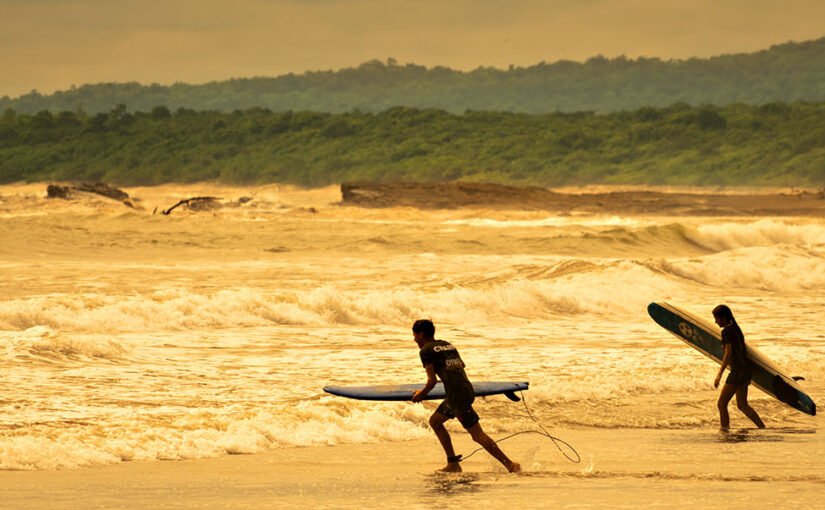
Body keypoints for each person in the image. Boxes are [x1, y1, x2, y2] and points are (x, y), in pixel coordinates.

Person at [410, 319, 520, 473]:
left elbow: (432, 381)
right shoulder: (447, 344)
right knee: (435, 422)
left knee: (477, 434)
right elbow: (459, 366)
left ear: (421, 334)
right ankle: (453, 463)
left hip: (457, 396)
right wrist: (446, 376)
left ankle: (510, 465)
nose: (414, 339)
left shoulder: (425, 351)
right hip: (465, 390)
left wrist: (421, 394)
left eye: (414, 335)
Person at [712, 305, 765, 430]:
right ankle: (762, 428)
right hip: (745, 369)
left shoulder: (726, 331)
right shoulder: (736, 329)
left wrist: (719, 374)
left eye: (717, 319)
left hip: (737, 372)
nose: (716, 322)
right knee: (742, 404)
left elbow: (729, 353)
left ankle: (725, 430)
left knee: (722, 404)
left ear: (724, 318)